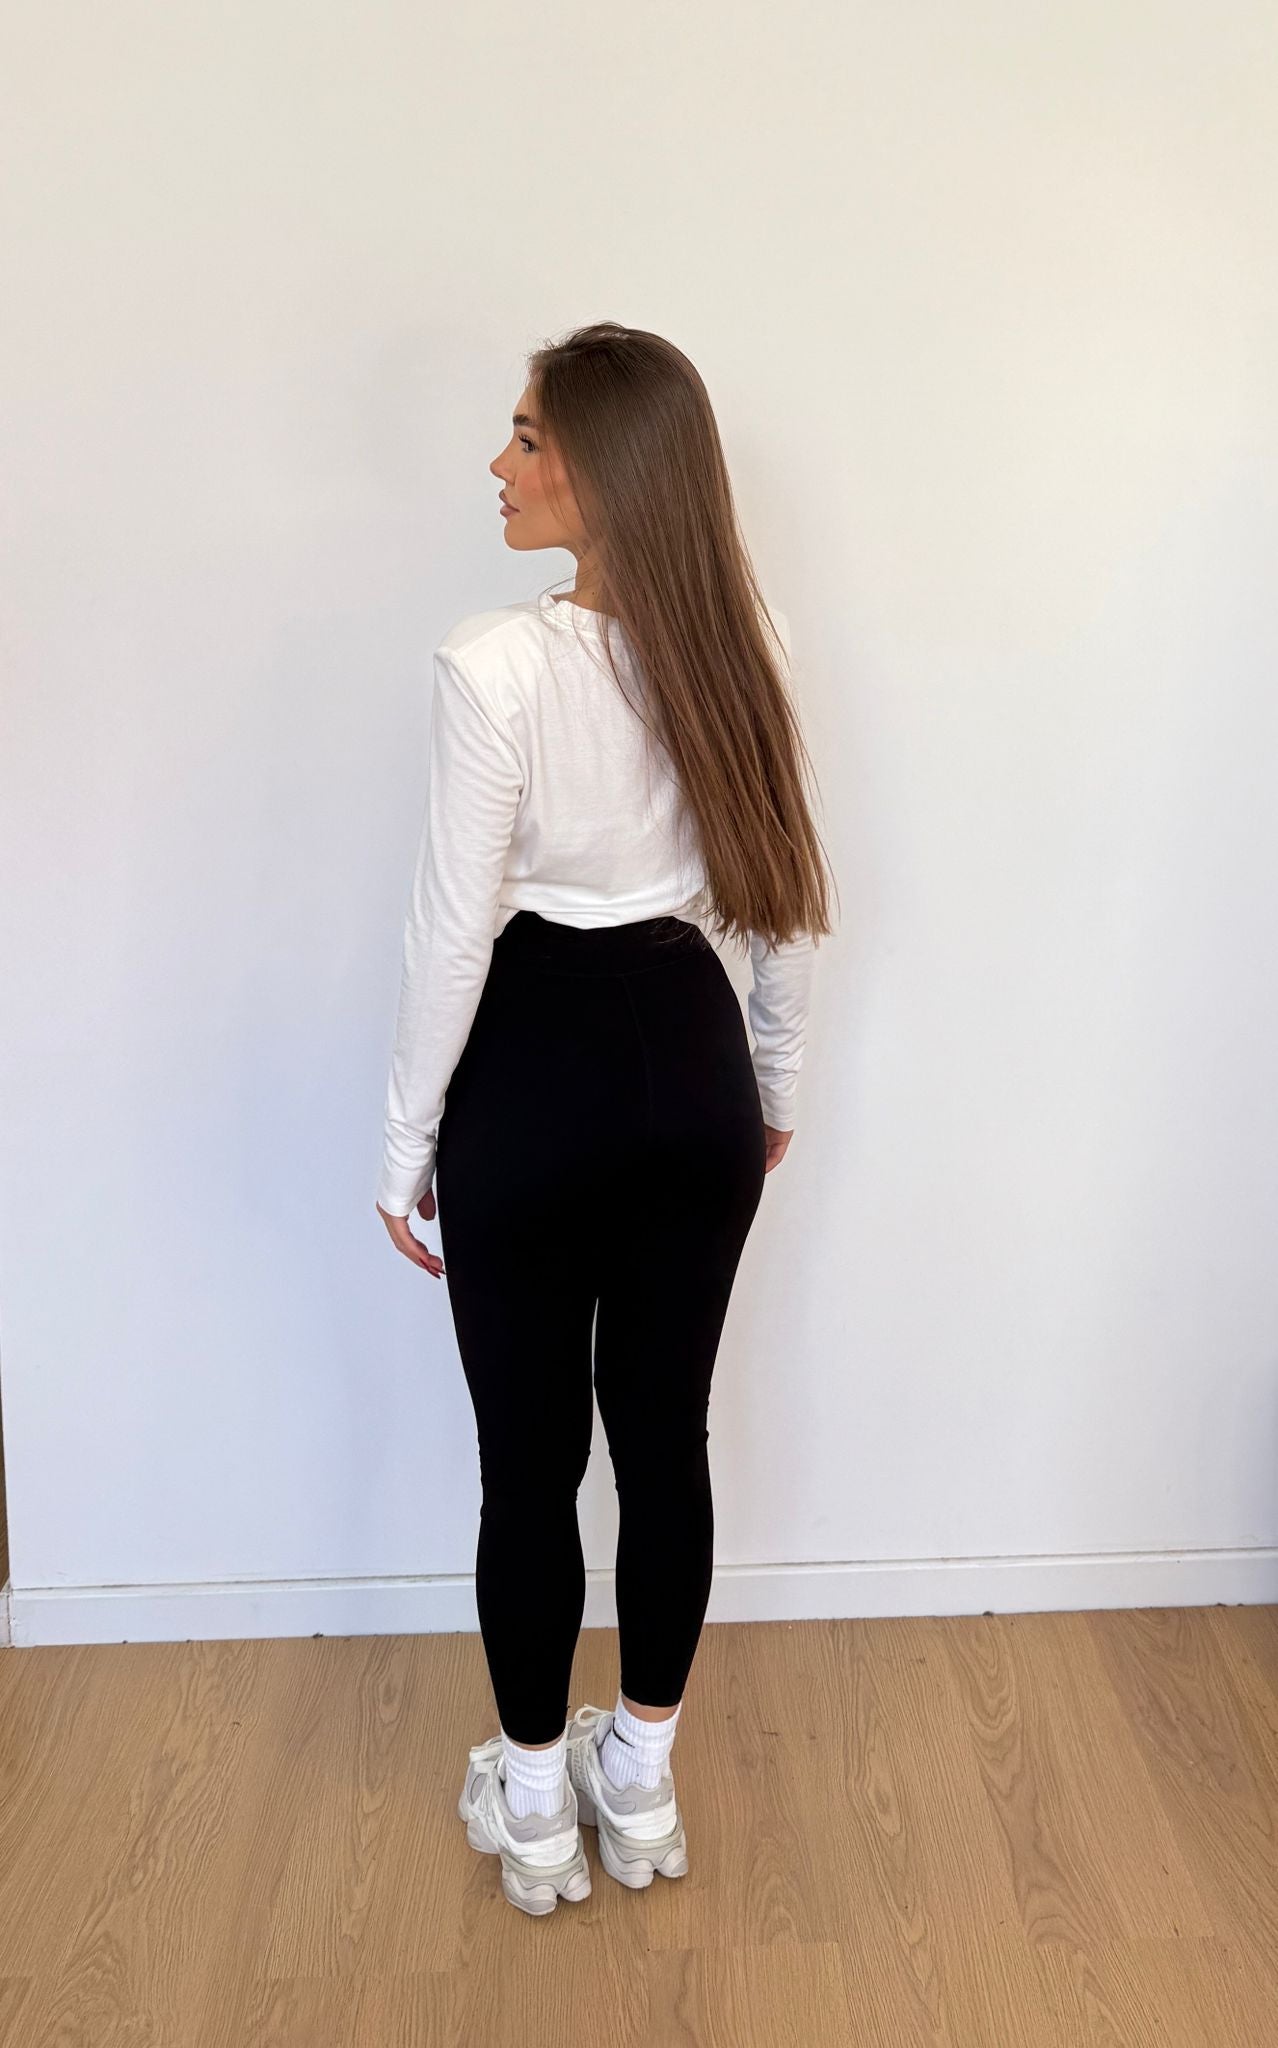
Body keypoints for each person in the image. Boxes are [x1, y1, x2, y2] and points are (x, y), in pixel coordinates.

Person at [375, 321, 835, 1916]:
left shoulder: (492, 664)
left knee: (528, 1464)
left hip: (533, 1070)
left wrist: (402, 1144)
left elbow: (453, 932)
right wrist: (771, 1086)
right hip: (691, 1068)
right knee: (664, 1438)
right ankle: (635, 1782)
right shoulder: (741, 637)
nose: (499, 466)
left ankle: (532, 1802)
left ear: (607, 468)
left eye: (527, 438)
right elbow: (785, 892)